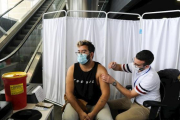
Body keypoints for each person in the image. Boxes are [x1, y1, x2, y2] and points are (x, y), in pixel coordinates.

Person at [101, 50, 161, 120]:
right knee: (107, 105)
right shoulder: (136, 65)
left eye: (137, 64)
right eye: (134, 61)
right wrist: (114, 66)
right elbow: (120, 67)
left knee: (119, 118)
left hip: (145, 106)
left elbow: (130, 95)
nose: (134, 65)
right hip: (133, 100)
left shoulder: (150, 77)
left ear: (146, 66)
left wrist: (113, 82)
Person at [62, 40, 113, 120]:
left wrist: (92, 114)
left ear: (91, 54)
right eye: (79, 52)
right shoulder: (72, 69)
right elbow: (69, 93)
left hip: (96, 104)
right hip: (78, 103)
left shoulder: (100, 70)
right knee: (67, 118)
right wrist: (80, 112)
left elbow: (105, 95)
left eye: (84, 52)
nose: (80, 54)